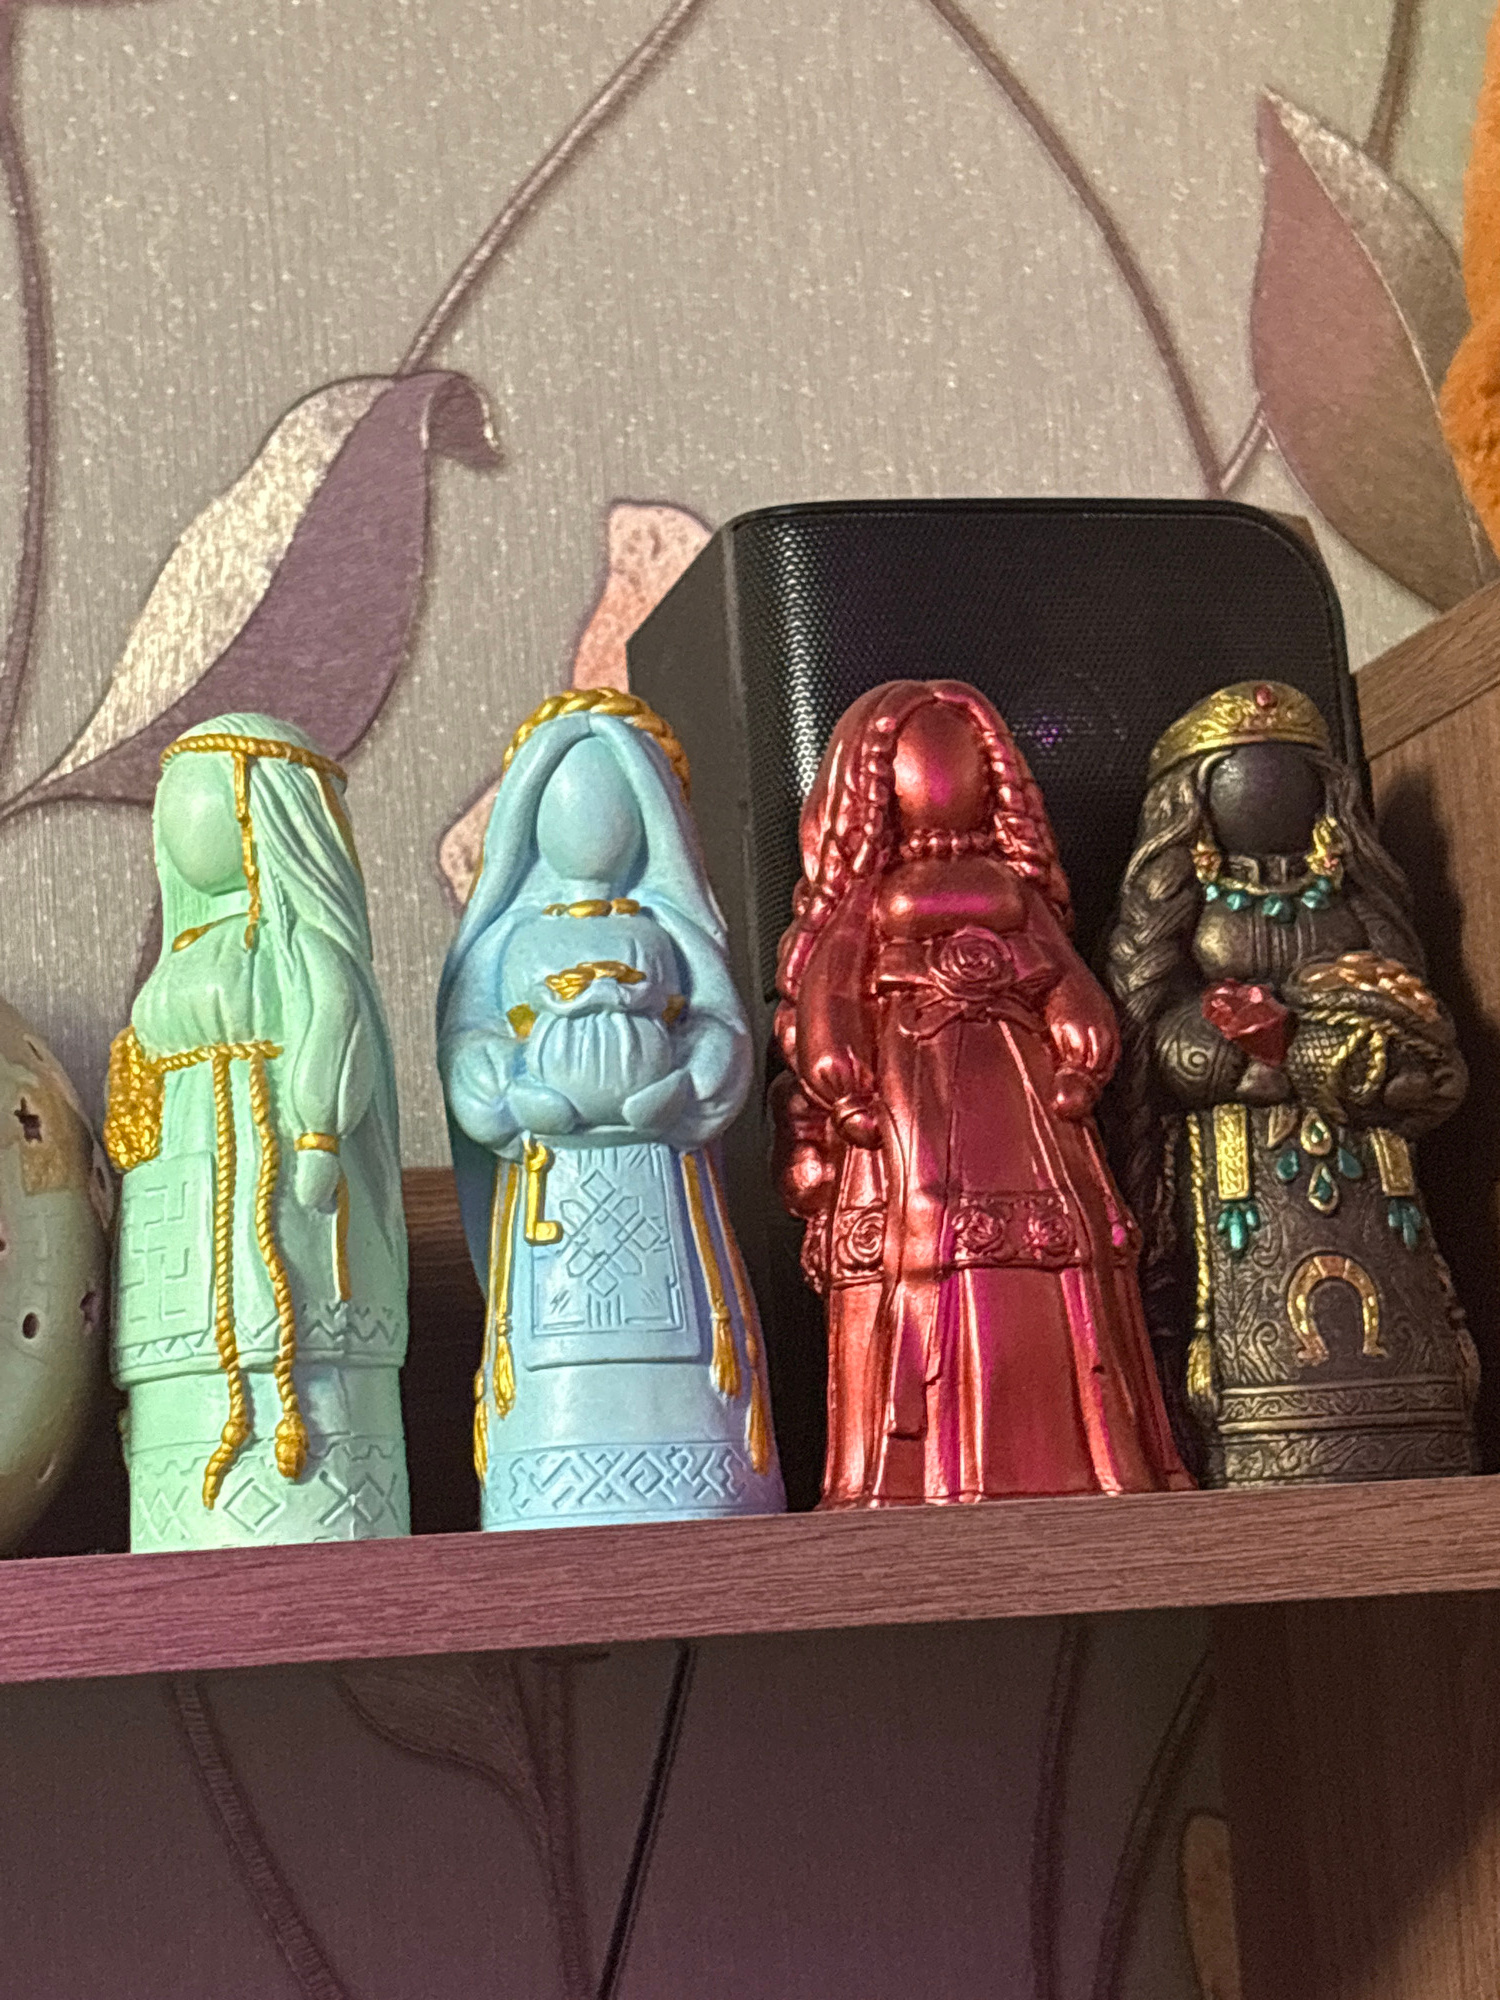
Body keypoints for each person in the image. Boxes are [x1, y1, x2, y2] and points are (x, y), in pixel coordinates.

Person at [774, 679, 1189, 1505]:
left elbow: (1066, 977)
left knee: (1051, 1251)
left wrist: (1080, 1044)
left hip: (1024, 1096)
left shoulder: (1015, 893)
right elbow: (829, 988)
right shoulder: (866, 899)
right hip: (913, 1094)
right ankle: (912, 1468)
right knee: (925, 1246)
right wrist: (841, 1080)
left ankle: (1080, 1454)